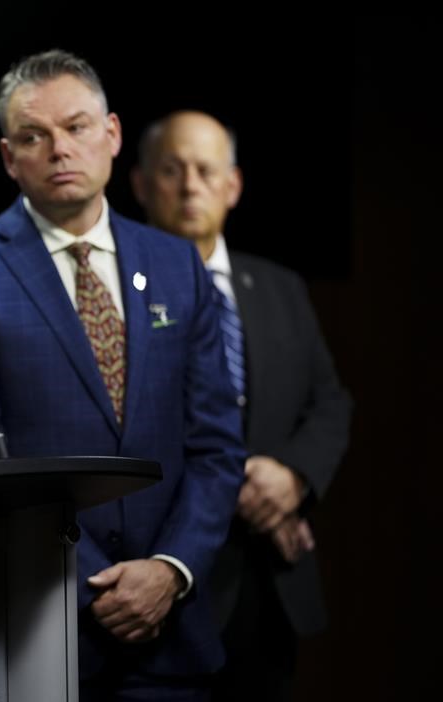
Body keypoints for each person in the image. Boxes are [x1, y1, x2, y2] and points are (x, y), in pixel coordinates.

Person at [0, 50, 245, 699]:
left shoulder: (177, 265)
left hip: (172, 633)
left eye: (76, 127)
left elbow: (217, 447)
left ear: (113, 135)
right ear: (10, 158)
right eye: (34, 136)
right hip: (42, 630)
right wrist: (94, 585)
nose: (59, 149)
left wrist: (169, 569)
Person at [131, 110, 352, 702]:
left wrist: (292, 477)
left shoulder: (281, 287)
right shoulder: (118, 294)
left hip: (271, 583)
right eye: (172, 170)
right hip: (171, 575)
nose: (190, 185)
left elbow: (329, 402)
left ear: (233, 187)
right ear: (141, 184)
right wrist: (247, 492)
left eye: (206, 170)